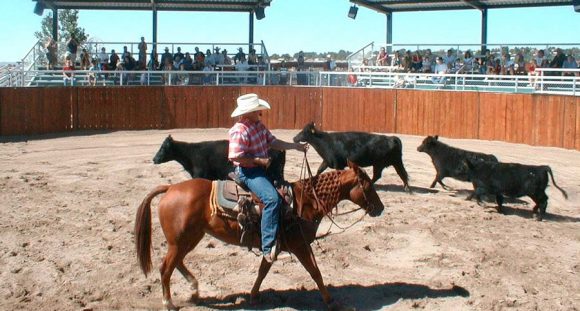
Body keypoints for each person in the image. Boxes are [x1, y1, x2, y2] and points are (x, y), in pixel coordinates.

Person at [228, 93, 307, 263]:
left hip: (261, 169)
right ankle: (267, 245)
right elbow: (236, 157)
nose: (260, 113)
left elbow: (273, 142)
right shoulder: (239, 131)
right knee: (272, 199)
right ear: (248, 112)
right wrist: (258, 160)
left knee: (286, 193)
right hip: (249, 172)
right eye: (257, 110)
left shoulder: (259, 126)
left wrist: (295, 146)